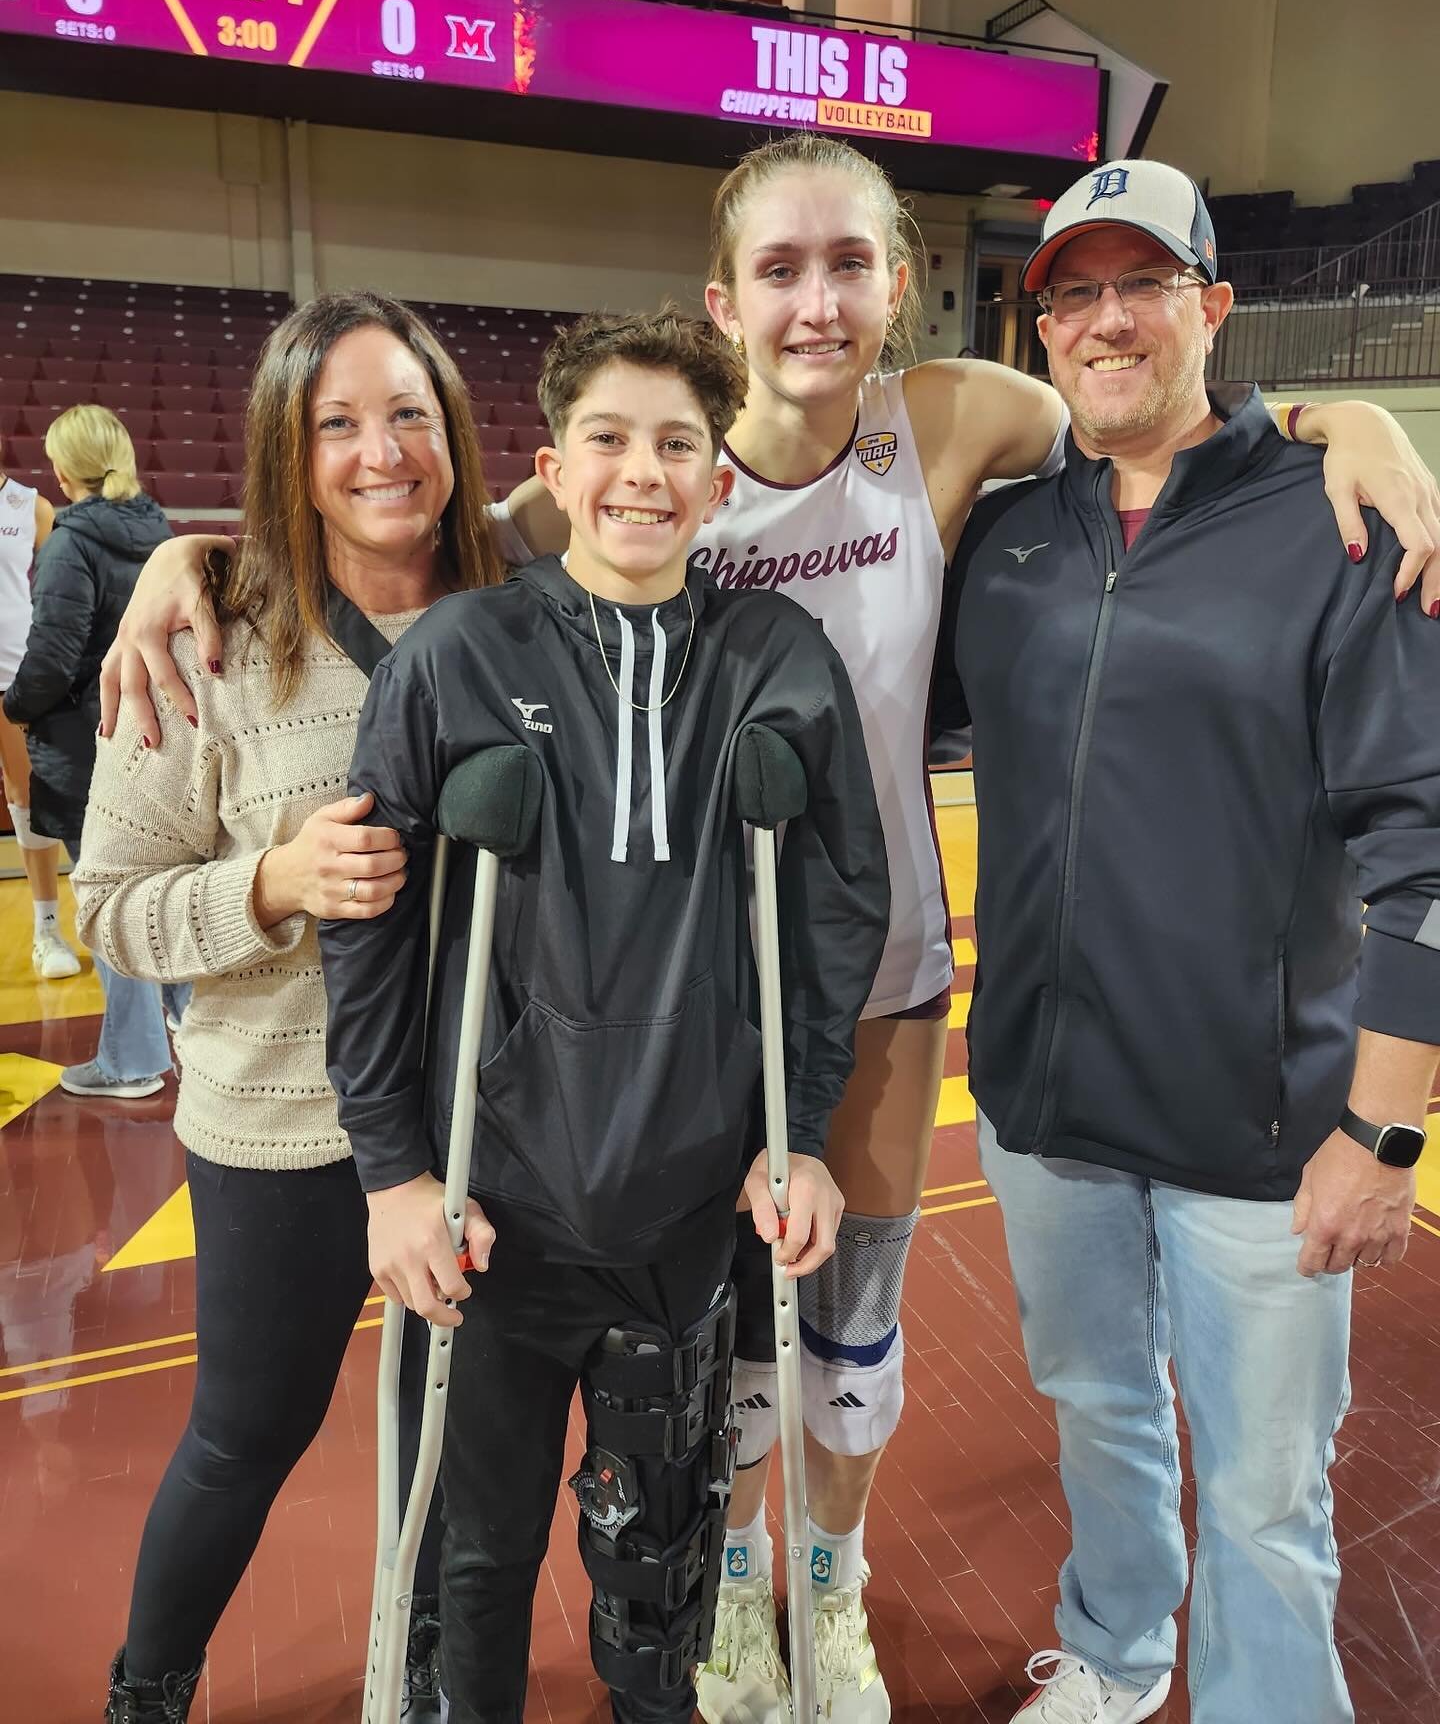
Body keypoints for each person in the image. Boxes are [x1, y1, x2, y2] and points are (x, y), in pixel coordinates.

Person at [98, 138, 1440, 1724]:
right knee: (699, 1365)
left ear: (899, 287)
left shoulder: (947, 426)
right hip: (613, 1039)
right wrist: (179, 559)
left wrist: (1355, 426)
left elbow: (1168, 410)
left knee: (846, 1331)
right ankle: (728, 1588)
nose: (818, 303)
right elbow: (418, 539)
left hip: (866, 993)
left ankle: (829, 1584)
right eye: (780, 272)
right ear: (724, 300)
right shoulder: (609, 485)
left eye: (851, 266)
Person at [320, 310, 889, 1724]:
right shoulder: (456, 657)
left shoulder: (777, 657)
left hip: (690, 1211)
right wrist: (394, 1171)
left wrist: (800, 1136)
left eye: (678, 445)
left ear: (720, 482)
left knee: (660, 1561)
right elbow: (373, 934)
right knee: (480, 1553)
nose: (644, 474)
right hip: (492, 1203)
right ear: (553, 470)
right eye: (611, 442)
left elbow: (829, 919)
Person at [944, 159, 1440, 1724]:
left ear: (1213, 306)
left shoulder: (1339, 522)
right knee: (1100, 1412)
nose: (1107, 321)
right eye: (1073, 293)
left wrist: (1387, 1131)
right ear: (1041, 335)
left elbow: (1424, 850)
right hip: (1047, 1107)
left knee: (1270, 1497)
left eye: (1143, 283)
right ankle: (1113, 1651)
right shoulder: (1005, 538)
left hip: (1267, 1133)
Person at [73, 292, 512, 1723]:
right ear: (285, 447)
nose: (382, 452)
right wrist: (270, 882)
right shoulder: (205, 647)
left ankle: (437, 1672)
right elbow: (110, 909)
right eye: (337, 423)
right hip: (282, 1128)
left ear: (454, 430)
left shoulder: (526, 614)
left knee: (454, 1436)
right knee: (244, 1435)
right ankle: (150, 1686)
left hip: (490, 1122)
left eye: (408, 413)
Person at [3, 405, 185, 1095]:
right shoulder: (158, 529)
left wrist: (16, 707)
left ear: (60, 469)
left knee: (109, 898)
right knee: (154, 890)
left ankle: (132, 1059)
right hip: (155, 734)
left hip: (88, 745)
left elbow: (50, 657)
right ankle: (183, 1025)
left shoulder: (71, 542)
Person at [0, 430, 81, 978]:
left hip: (12, 673)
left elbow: (56, 590)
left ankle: (48, 928)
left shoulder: (31, 506)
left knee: (28, 797)